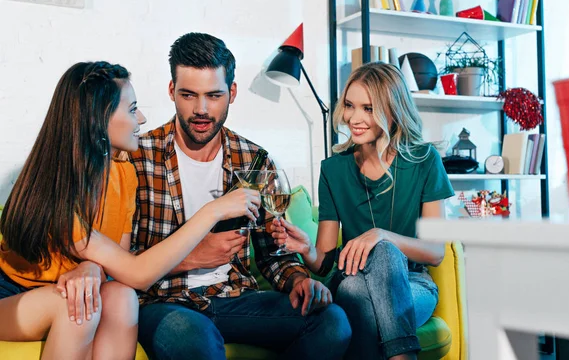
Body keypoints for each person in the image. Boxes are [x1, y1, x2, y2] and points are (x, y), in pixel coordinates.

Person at [0, 61, 259, 360]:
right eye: (132, 108)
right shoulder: (55, 188)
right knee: (76, 305)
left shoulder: (124, 173)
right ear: (99, 118)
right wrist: (213, 211)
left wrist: (92, 267)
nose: (142, 118)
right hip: (14, 293)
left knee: (121, 296)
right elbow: (139, 274)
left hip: (68, 287)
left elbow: (120, 268)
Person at [128, 32, 351, 360]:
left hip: (235, 298)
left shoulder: (253, 159)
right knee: (192, 338)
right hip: (165, 302)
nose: (201, 110)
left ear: (232, 93)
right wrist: (194, 257)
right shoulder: (138, 158)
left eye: (214, 95)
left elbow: (273, 253)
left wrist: (298, 280)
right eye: (189, 95)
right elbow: (120, 264)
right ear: (172, 91)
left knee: (332, 322)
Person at [271, 62, 455, 360]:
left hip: (413, 283)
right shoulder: (333, 169)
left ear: (393, 110)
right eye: (350, 106)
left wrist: (380, 236)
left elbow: (435, 252)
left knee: (376, 262)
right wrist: (306, 249)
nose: (354, 118)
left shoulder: (425, 160)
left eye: (368, 109)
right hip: (351, 277)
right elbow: (324, 263)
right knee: (355, 286)